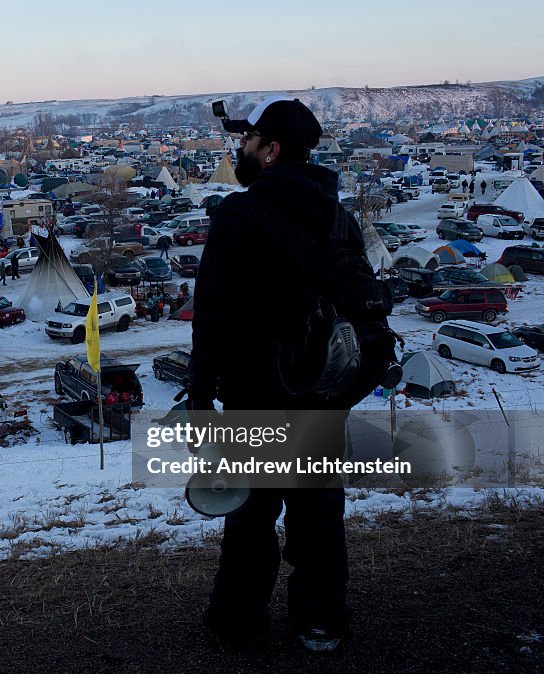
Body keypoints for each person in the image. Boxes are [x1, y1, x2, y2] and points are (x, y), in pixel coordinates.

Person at [191, 97, 384, 652]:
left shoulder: (235, 216)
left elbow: (213, 319)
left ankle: (238, 621)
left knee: (250, 516)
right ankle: (320, 620)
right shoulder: (338, 214)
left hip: (254, 397)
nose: (240, 149)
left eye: (247, 142)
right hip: (322, 396)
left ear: (270, 150)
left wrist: (201, 399)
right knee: (319, 512)